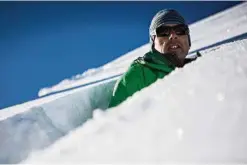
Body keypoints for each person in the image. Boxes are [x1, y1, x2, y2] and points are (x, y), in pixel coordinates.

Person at [108, 9, 200, 108]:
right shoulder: (137, 76)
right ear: (153, 41)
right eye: (164, 32)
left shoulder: (203, 66)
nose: (173, 36)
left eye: (180, 30)